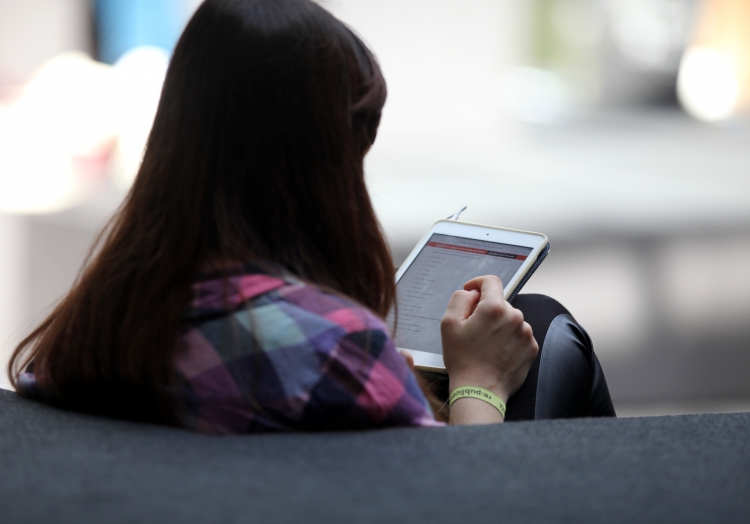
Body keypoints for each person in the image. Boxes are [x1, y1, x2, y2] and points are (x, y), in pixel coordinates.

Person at [7, 0, 614, 433]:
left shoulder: (94, 324)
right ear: (316, 167)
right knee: (545, 328)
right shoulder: (336, 351)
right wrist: (478, 382)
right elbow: (460, 499)